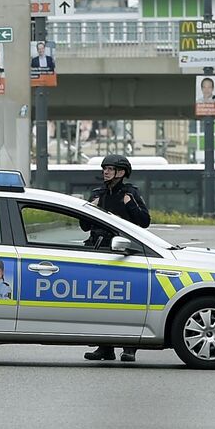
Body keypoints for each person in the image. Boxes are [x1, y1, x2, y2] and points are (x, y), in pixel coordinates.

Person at [83, 154, 150, 362]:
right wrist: (89, 209)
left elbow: (144, 222)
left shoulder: (130, 193)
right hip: (99, 252)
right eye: (104, 168)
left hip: (124, 253)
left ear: (121, 173)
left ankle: (130, 347)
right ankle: (105, 347)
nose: (105, 172)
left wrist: (130, 205)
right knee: (100, 301)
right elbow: (84, 226)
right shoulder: (97, 193)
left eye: (110, 168)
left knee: (127, 301)